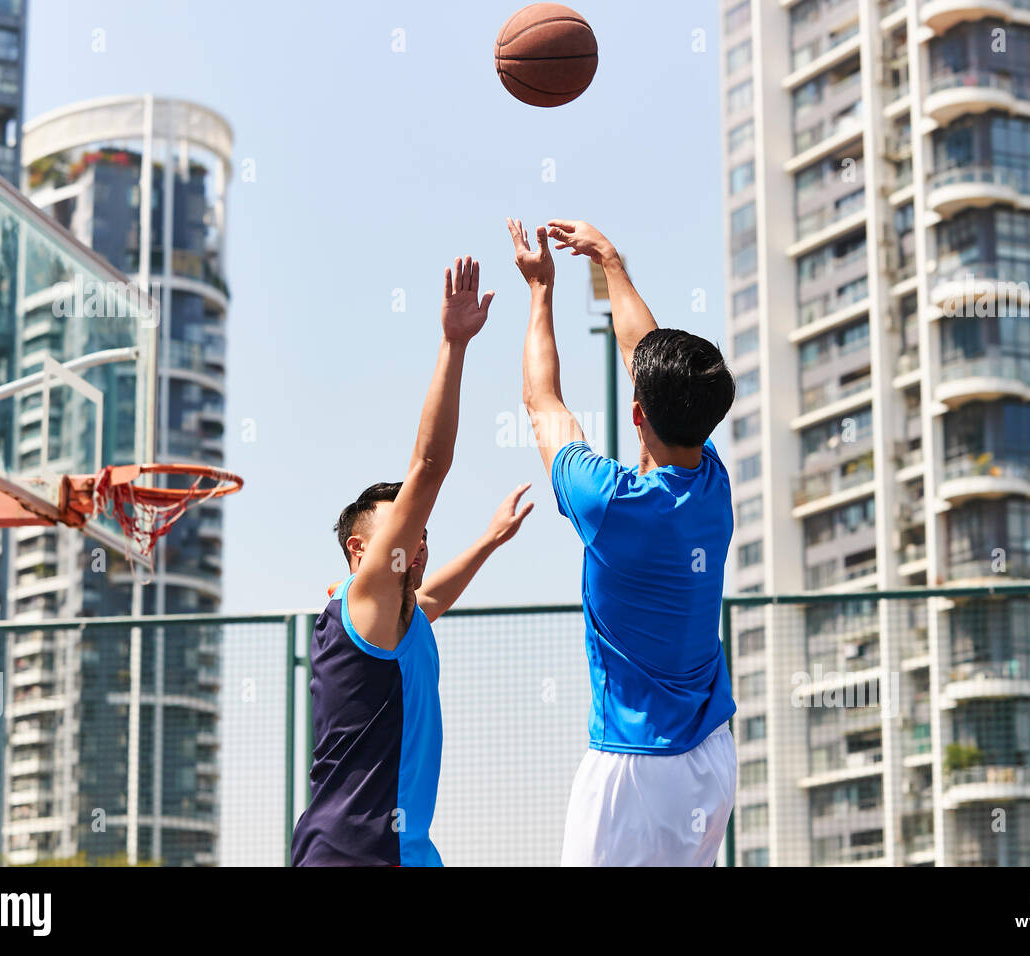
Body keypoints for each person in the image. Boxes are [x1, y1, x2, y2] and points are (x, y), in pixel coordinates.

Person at [507, 217, 738, 866]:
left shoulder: (610, 504)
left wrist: (540, 292)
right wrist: (609, 261)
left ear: (637, 413)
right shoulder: (711, 481)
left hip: (636, 769)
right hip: (712, 757)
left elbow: (541, 401)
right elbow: (651, 356)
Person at [291, 256, 532, 866]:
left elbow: (433, 599)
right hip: (355, 854)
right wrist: (454, 346)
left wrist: (487, 540)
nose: (418, 542)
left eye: (423, 534)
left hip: (405, 851)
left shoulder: (397, 617)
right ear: (359, 553)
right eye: (406, 531)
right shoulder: (366, 599)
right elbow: (428, 466)